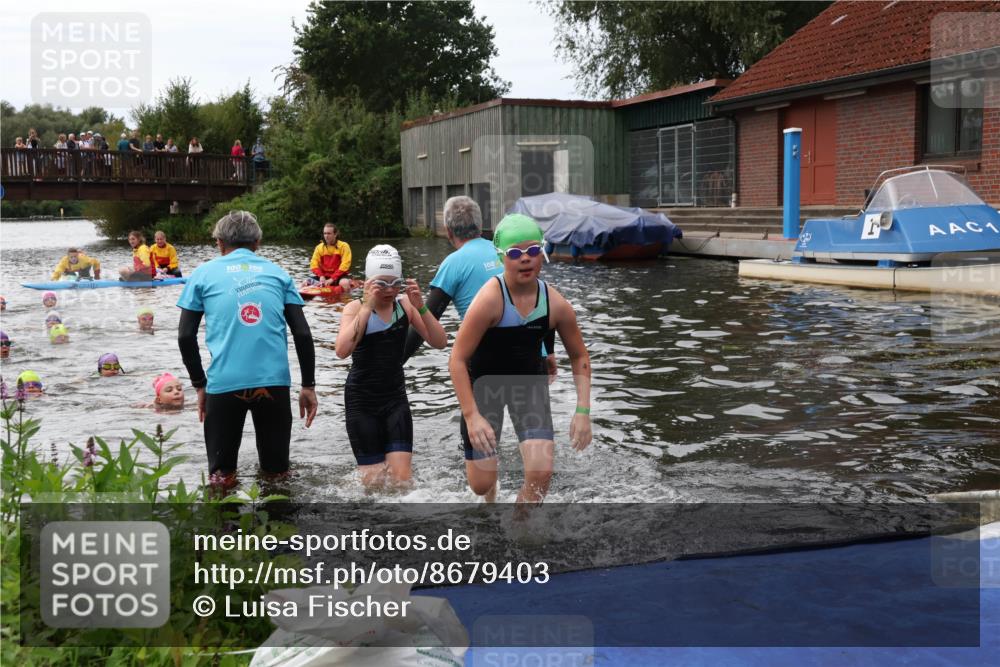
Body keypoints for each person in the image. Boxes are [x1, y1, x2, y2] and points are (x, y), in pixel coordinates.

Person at [448, 213, 592, 507]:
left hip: (529, 385)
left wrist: (583, 411)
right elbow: (457, 360)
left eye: (533, 251)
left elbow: (579, 356)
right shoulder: (489, 299)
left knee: (541, 476)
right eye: (515, 253)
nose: (525, 259)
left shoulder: (555, 302)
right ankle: (490, 493)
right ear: (502, 258)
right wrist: (471, 416)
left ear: (543, 253)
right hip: (485, 388)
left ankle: (517, 529)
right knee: (480, 484)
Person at [177, 210, 318, 486]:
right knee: (277, 475)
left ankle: (223, 527)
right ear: (257, 244)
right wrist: (308, 385)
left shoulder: (202, 274)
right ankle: (278, 525)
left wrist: (199, 384)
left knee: (221, 477)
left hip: (224, 384)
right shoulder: (278, 273)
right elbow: (302, 332)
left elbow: (185, 336)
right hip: (273, 384)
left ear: (219, 244)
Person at [334, 245, 447, 490]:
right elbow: (342, 351)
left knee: (402, 483)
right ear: (368, 281)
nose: (389, 290)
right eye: (381, 284)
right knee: (374, 486)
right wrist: (366, 306)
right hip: (361, 403)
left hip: (395, 399)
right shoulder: (354, 309)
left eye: (395, 283)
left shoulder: (405, 305)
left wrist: (421, 307)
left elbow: (440, 342)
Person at [306, 223, 352, 292]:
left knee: (344, 283)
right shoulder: (319, 248)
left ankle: (346, 301)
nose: (326, 236)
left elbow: (345, 265)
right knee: (305, 283)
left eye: (329, 233)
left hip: (339, 277)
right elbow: (313, 265)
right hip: (324, 278)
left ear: (335, 234)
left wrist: (332, 279)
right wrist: (321, 276)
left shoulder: (344, 246)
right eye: (325, 233)